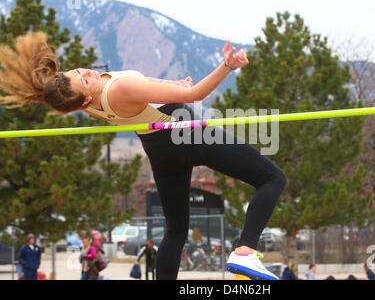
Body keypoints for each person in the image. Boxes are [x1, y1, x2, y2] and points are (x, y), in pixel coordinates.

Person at [0, 32, 286, 280]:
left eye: (79, 72)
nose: (88, 73)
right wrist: (227, 66)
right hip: (188, 134)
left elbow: (146, 92)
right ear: (84, 99)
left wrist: (174, 85)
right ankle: (245, 250)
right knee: (272, 178)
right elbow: (197, 94)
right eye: (84, 80)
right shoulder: (119, 89)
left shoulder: (84, 102)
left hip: (159, 150)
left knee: (175, 231)